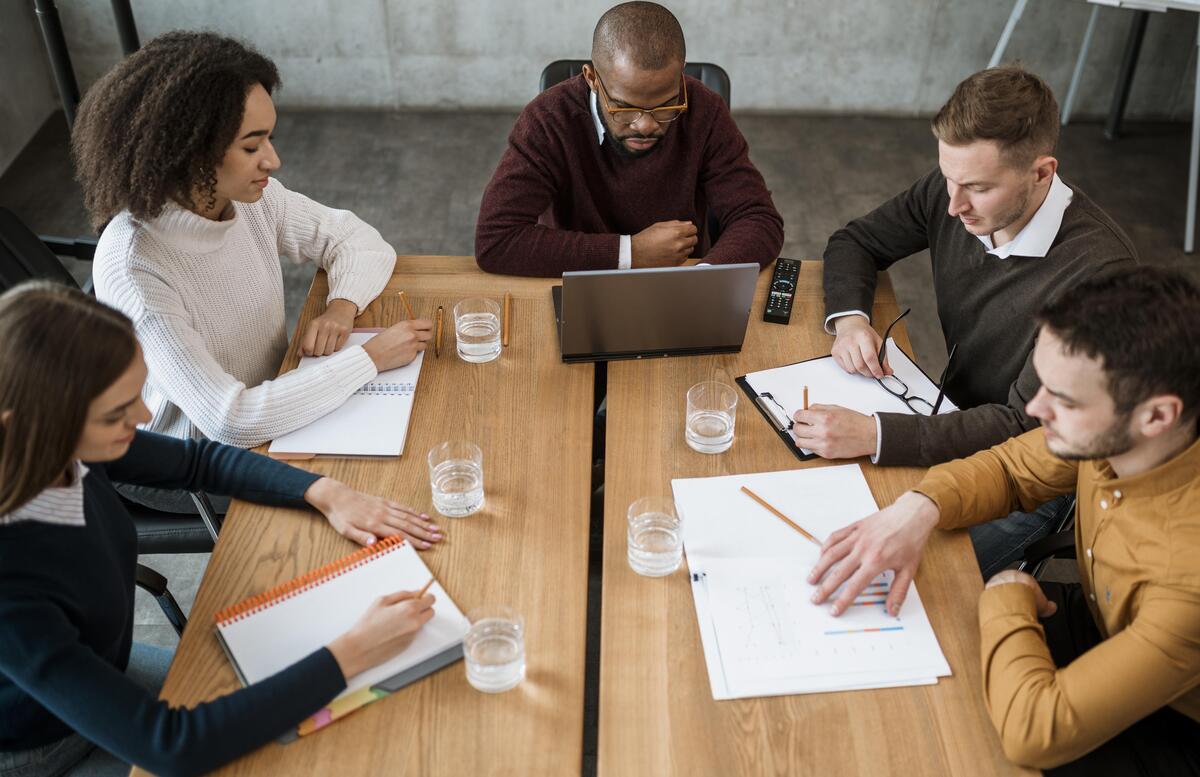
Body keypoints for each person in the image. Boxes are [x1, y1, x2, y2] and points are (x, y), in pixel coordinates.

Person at [0, 282, 444, 777]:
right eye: (117, 412)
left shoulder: (61, 445)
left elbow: (199, 461)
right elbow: (172, 745)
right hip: (40, 747)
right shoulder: (10, 592)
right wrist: (353, 651)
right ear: (27, 425)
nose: (145, 417)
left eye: (136, 395)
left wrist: (324, 491)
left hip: (100, 672)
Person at [807, 267, 1200, 774]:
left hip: (1175, 724)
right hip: (1107, 619)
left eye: (1064, 400)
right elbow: (1011, 466)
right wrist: (916, 508)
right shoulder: (1127, 437)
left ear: (1155, 416)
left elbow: (1035, 734)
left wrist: (1007, 592)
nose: (1036, 408)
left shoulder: (1187, 577)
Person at [799, 65, 1137, 577]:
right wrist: (850, 321)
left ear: (1041, 172)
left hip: (1027, 475)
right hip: (945, 419)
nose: (953, 205)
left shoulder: (1099, 277)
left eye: (976, 188)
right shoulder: (954, 189)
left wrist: (875, 435)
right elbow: (857, 241)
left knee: (893, 581)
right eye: (949, 178)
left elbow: (1023, 425)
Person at [75, 32, 432, 514]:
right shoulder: (137, 265)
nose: (273, 160)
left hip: (277, 397)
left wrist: (342, 308)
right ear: (188, 151)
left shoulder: (247, 200)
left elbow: (357, 239)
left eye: (269, 137)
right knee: (392, 486)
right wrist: (367, 360)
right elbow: (227, 419)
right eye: (251, 146)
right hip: (193, 461)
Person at [474, 1, 784, 277]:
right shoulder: (548, 118)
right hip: (576, 284)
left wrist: (701, 280)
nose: (646, 125)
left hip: (678, 283)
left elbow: (758, 218)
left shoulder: (705, 110)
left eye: (666, 105)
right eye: (624, 107)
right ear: (592, 78)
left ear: (680, 75)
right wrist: (630, 253)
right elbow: (496, 239)